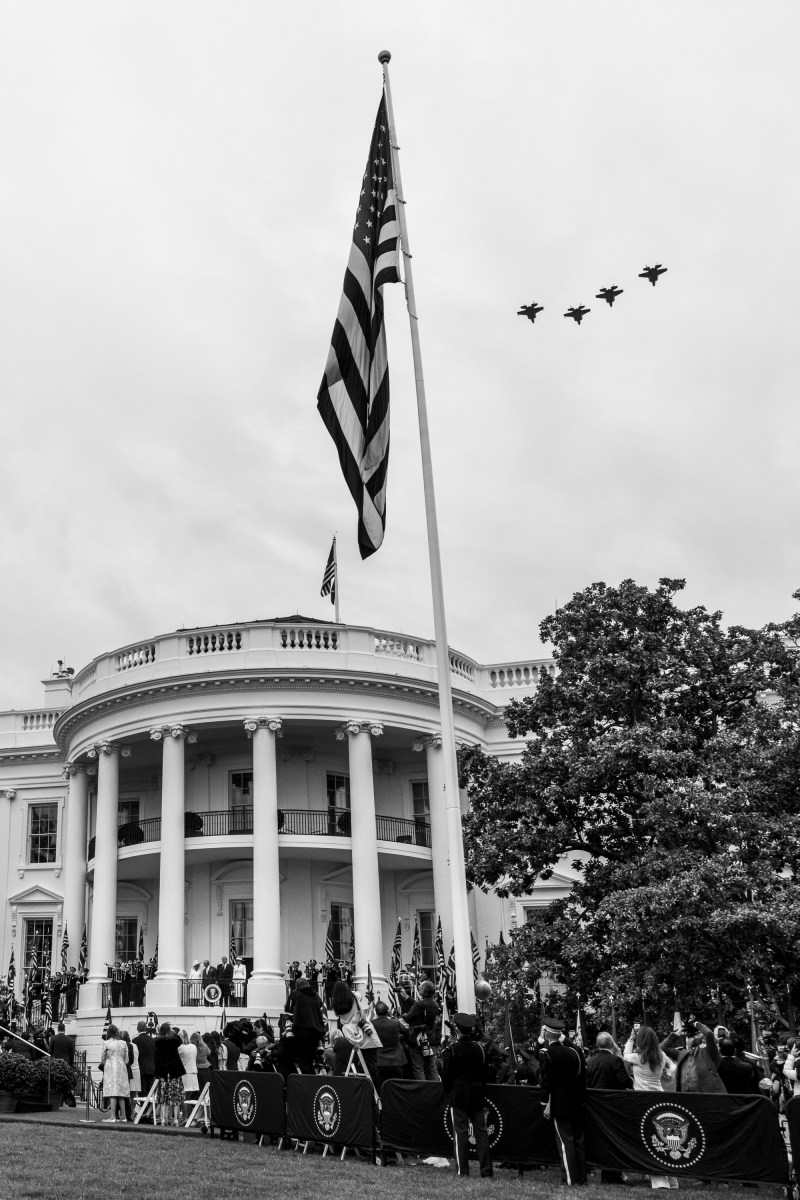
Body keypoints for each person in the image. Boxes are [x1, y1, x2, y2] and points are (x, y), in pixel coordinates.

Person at [623, 1025, 678, 1189]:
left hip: (642, 1101)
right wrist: (667, 1075)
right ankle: (673, 1181)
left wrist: (631, 1038)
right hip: (659, 1099)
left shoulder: (638, 1057)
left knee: (650, 1141)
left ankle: (660, 1181)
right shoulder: (661, 1055)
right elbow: (673, 1067)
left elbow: (625, 1055)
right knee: (662, 1139)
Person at [440, 1012, 493, 1179]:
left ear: (457, 1030)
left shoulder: (452, 1050)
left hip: (459, 1094)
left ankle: (462, 1170)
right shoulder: (480, 1048)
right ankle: (486, 1170)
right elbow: (486, 1074)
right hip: (477, 1093)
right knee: (481, 1133)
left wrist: (451, 1092)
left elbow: (446, 1077)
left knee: (460, 1133)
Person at [538, 1016, 587, 1187]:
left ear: (546, 1034)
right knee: (578, 1141)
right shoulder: (573, 1052)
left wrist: (545, 1104)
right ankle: (581, 1178)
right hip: (576, 1102)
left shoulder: (547, 1055)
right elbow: (581, 1077)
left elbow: (546, 1083)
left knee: (565, 1143)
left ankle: (570, 1179)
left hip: (559, 1104)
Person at [586, 1032, 632, 1185]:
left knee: (601, 1140)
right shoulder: (615, 1060)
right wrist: (631, 1080)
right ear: (612, 1044)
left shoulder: (590, 1061)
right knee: (613, 1140)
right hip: (611, 1106)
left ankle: (604, 1173)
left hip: (594, 1107)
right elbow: (623, 1081)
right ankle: (612, 1175)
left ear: (597, 1045)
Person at [286, 974, 327, 1074]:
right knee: (311, 1057)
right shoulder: (316, 995)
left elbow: (288, 1009)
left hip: (302, 1029)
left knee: (303, 1058)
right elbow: (321, 1007)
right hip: (317, 1030)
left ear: (297, 986)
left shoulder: (295, 994)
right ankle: (312, 1078)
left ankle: (308, 1082)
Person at [670, 1021, 725, 1093]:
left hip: (707, 1097)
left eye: (693, 1036)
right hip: (686, 1098)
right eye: (688, 1036)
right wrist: (675, 1035)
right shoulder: (683, 1054)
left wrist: (697, 1024)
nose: (690, 1039)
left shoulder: (709, 1053)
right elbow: (663, 1048)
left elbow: (708, 1034)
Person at [405, 980, 442, 1082]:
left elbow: (408, 1018)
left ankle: (422, 1092)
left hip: (417, 1040)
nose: (419, 989)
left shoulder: (420, 1005)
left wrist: (403, 1015)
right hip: (429, 1039)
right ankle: (436, 1089)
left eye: (421, 988)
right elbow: (419, 1006)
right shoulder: (435, 1005)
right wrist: (408, 998)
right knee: (431, 1068)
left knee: (418, 1069)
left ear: (425, 991)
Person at [153, 1021, 185, 1127]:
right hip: (174, 1071)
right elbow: (179, 1039)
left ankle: (163, 1118)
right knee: (175, 1096)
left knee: (163, 1096)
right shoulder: (174, 1041)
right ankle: (175, 1118)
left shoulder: (157, 1041)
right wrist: (172, 1031)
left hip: (162, 1071)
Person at [372, 1000, 409, 1087]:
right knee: (397, 1088)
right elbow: (406, 1031)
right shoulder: (395, 1022)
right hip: (396, 1061)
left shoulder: (372, 1024)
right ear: (387, 1011)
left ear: (376, 1012)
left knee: (381, 1089)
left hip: (380, 1061)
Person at [100, 1024, 131, 1123]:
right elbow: (127, 1059)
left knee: (112, 1092)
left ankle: (113, 1116)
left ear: (108, 1033)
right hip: (122, 1067)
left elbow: (103, 1058)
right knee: (121, 1093)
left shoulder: (106, 1043)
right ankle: (123, 1116)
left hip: (111, 1066)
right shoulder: (123, 1043)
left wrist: (107, 1063)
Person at [133, 1019, 156, 1101]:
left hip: (141, 1068)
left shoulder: (135, 1041)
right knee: (151, 1090)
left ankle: (144, 1110)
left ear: (137, 1028)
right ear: (146, 1028)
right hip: (151, 1068)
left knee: (142, 1091)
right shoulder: (152, 1040)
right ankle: (151, 1109)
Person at [177, 1028, 199, 1099]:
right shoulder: (193, 1046)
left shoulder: (180, 1048)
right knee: (190, 1096)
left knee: (184, 1096)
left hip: (185, 1073)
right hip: (193, 1072)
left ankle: (185, 1110)